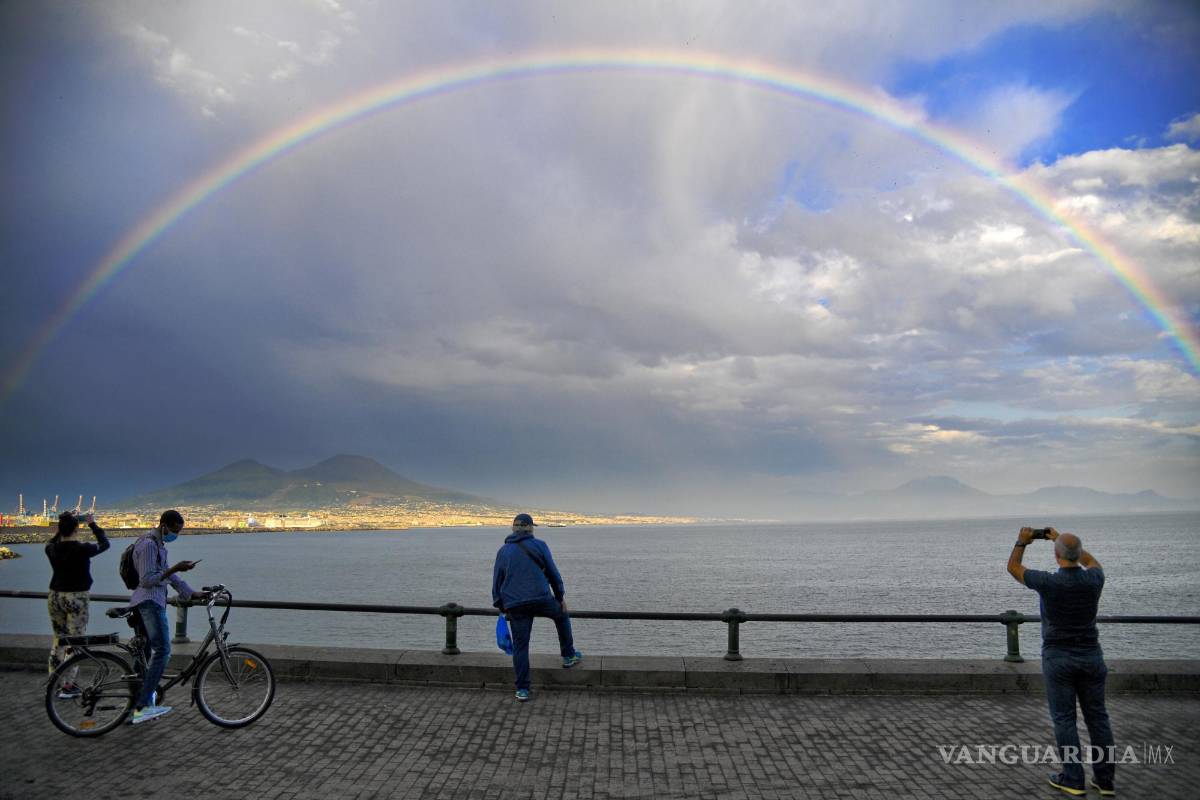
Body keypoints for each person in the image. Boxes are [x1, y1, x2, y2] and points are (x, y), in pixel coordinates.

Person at [1007, 526, 1115, 797]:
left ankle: (1073, 778)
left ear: (1056, 556)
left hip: (1058, 658)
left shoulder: (1048, 582)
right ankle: (1105, 780)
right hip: (1091, 655)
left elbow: (1013, 567)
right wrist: (1059, 539)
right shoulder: (1094, 579)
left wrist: (1022, 542)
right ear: (1078, 555)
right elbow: (1092, 562)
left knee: (1064, 719)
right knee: (1098, 718)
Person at [491, 513, 583, 701]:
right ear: (531, 528)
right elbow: (553, 573)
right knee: (561, 615)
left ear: (513, 528)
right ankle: (568, 655)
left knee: (521, 647)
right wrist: (560, 597)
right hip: (541, 599)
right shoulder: (540, 546)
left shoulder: (503, 551)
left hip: (515, 604)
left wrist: (501, 605)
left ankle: (523, 689)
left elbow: (497, 582)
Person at [127, 509, 205, 725]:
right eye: (174, 530)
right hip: (149, 603)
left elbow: (169, 576)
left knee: (142, 655)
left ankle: (132, 706)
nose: (175, 534)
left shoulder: (159, 545)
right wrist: (175, 568)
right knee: (163, 651)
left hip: (150, 602)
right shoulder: (149, 545)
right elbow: (147, 579)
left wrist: (190, 592)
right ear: (164, 526)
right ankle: (143, 705)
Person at [44, 511, 110, 692]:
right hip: (77, 597)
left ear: (60, 529)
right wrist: (92, 524)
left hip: (55, 595)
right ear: (76, 528)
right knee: (75, 641)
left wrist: (62, 526)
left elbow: (51, 541)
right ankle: (69, 684)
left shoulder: (51, 549)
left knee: (58, 639)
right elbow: (105, 544)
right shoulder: (83, 549)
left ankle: (53, 681)